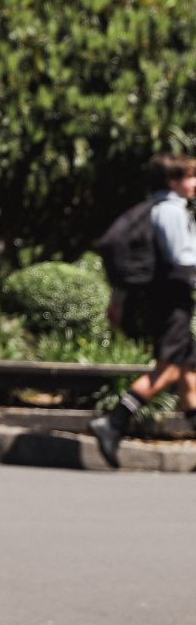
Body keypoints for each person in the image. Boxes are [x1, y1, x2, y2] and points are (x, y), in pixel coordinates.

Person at [91, 153, 196, 466]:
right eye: (191, 176)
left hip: (169, 298)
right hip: (172, 300)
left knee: (189, 375)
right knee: (168, 370)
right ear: (172, 181)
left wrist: (117, 300)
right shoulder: (170, 211)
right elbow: (183, 257)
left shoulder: (155, 208)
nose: (195, 183)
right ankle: (114, 421)